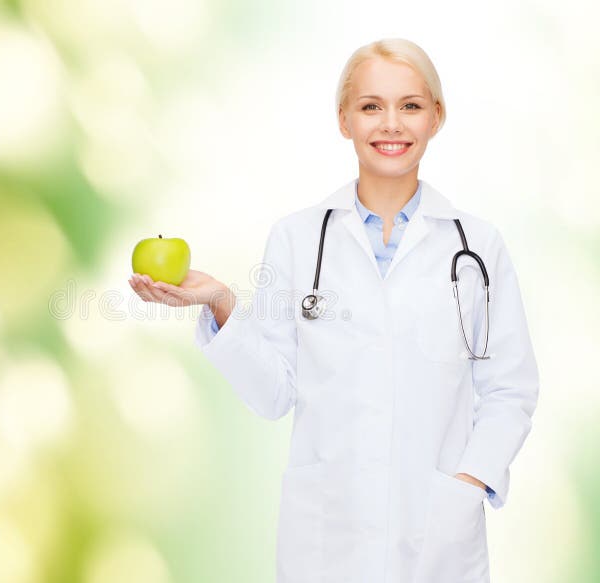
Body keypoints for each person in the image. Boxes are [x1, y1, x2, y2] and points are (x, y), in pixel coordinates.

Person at [128, 37, 539, 583]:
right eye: (371, 106)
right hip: (326, 540)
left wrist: (467, 484)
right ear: (344, 119)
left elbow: (510, 389)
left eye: (410, 106)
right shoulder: (298, 239)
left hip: (439, 536)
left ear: (436, 118)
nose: (391, 124)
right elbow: (274, 393)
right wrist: (223, 302)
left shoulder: (478, 246)